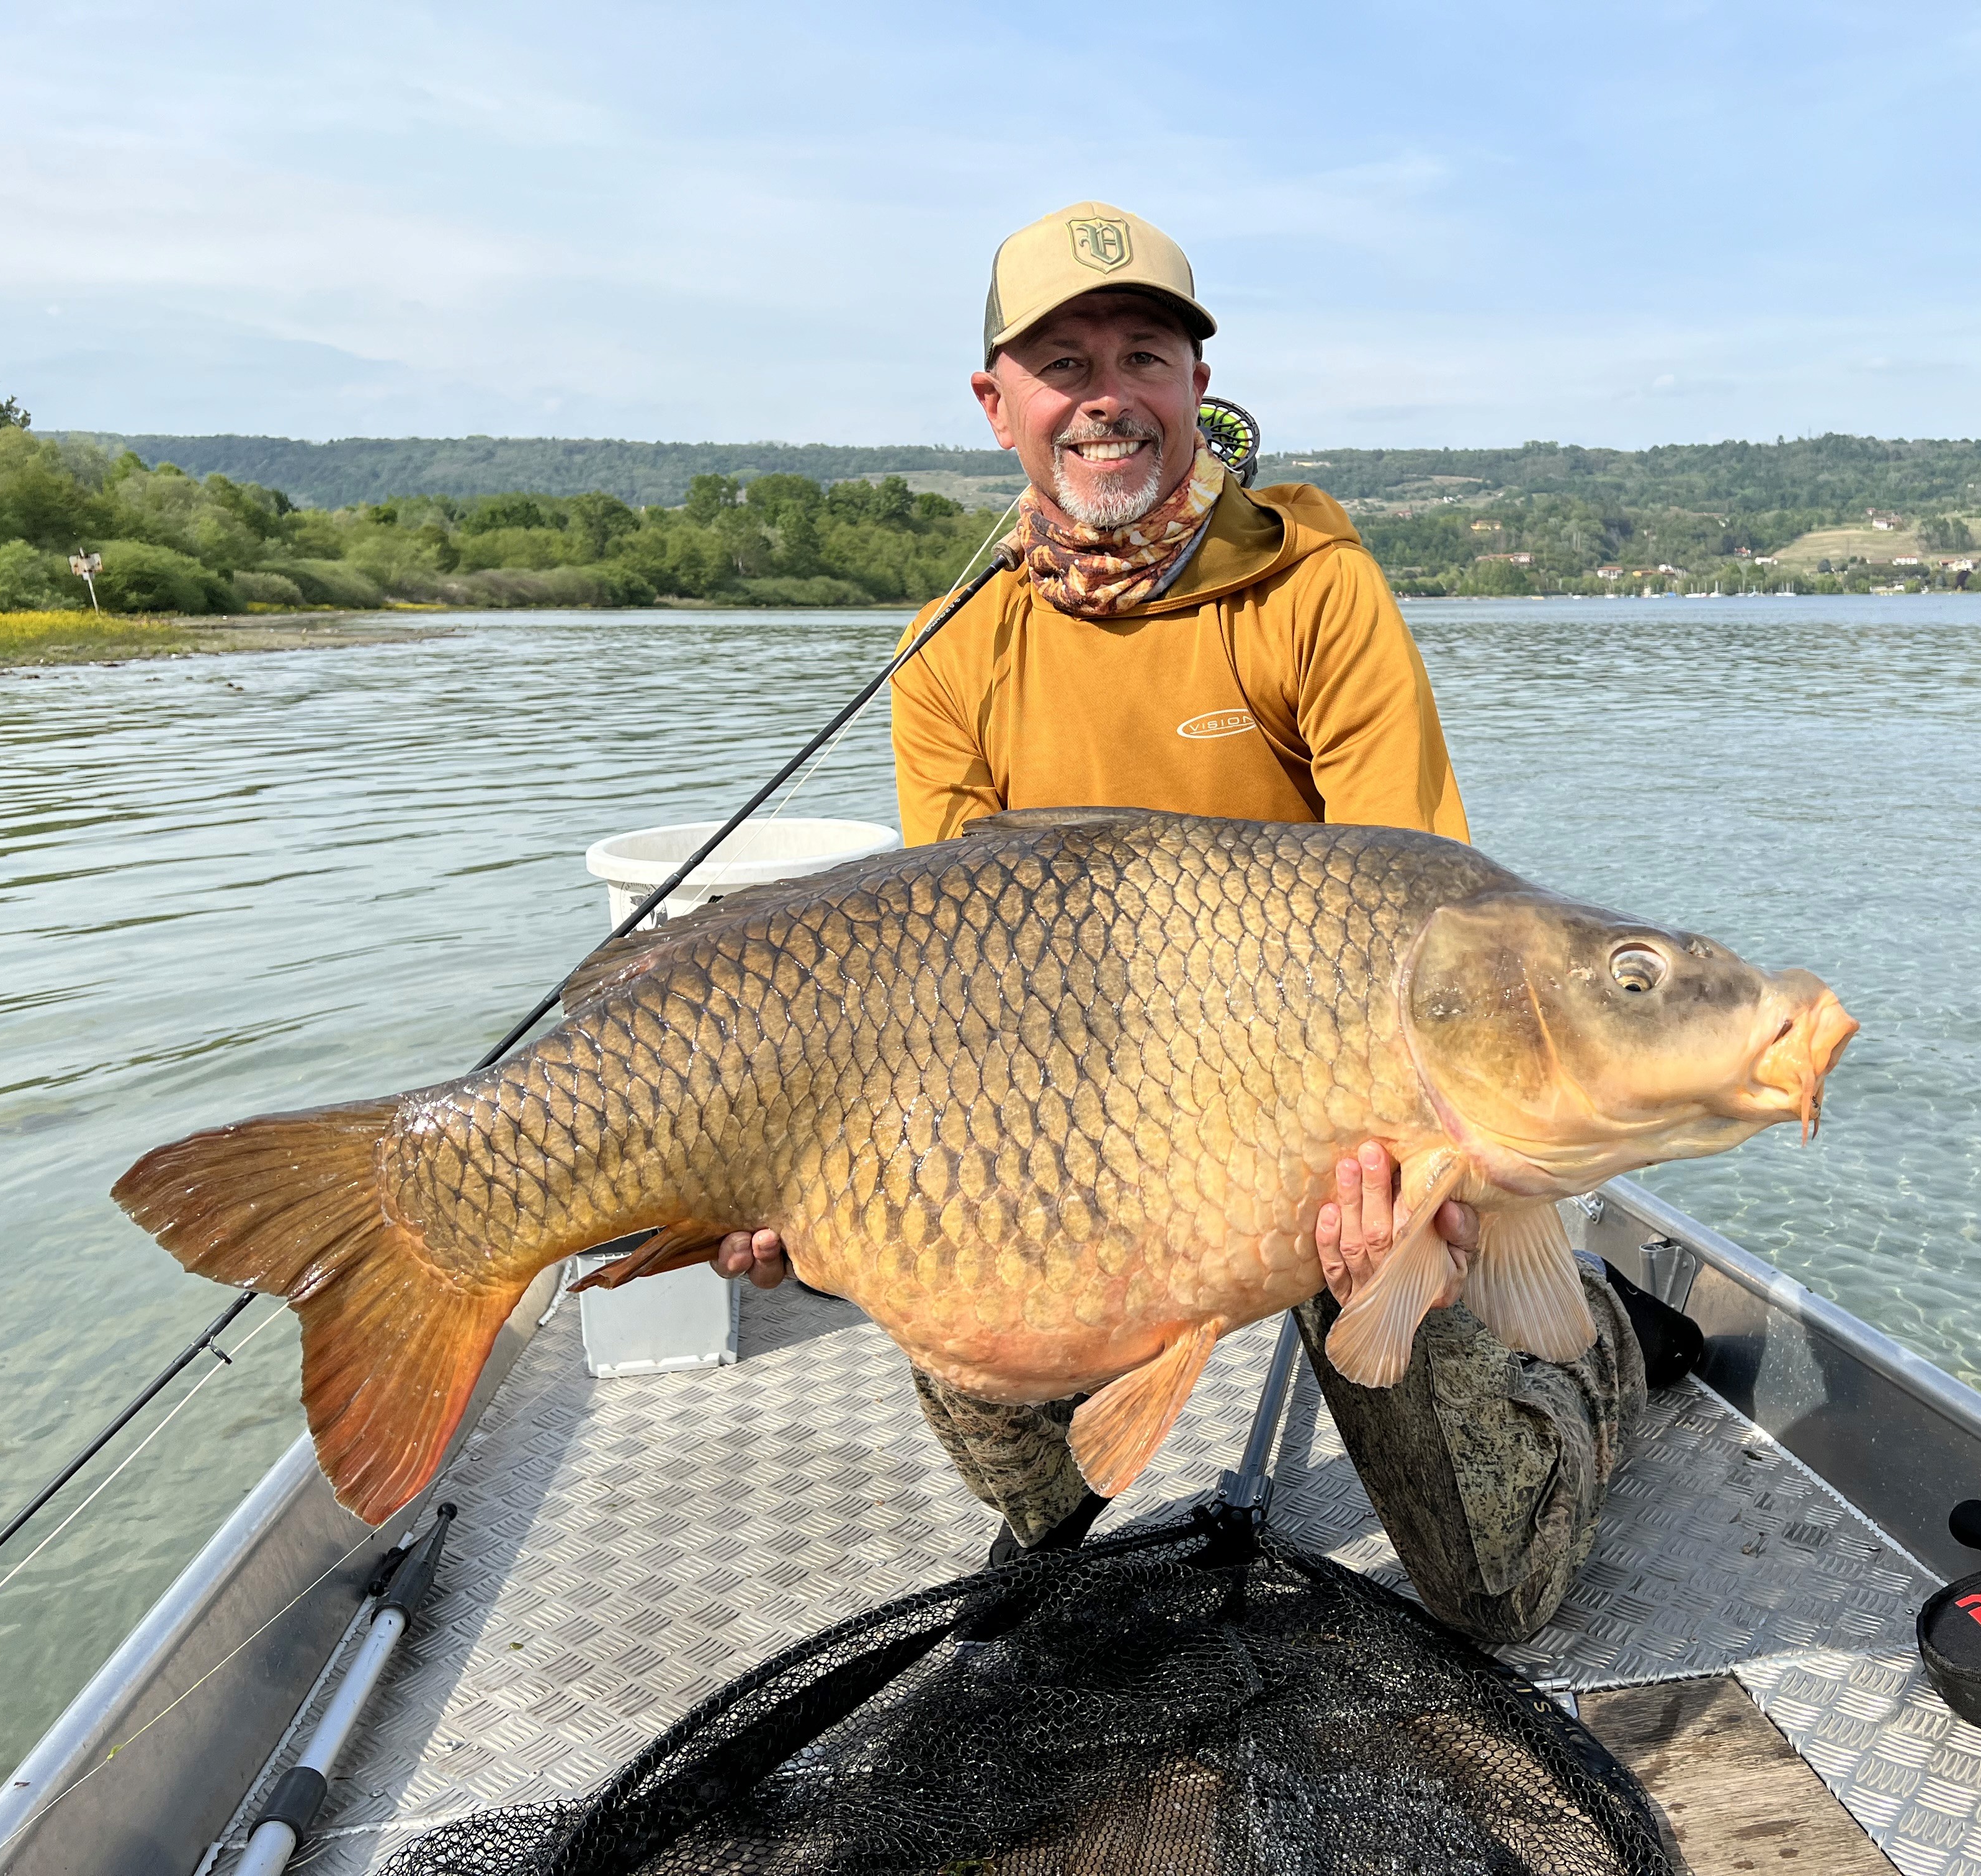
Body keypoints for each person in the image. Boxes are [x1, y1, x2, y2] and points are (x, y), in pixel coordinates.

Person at [705, 202, 1656, 1645]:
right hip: (1093, 1130)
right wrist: (804, 1175)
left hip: (1336, 1126)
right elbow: (942, 980)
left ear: (1195, 389)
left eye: (1144, 354)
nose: (1108, 396)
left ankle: (1606, 1363)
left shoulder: (1314, 588)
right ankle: (1070, 1480)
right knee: (1002, 1429)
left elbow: (1430, 922)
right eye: (1063, 361)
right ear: (998, 404)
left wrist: (1412, 1186)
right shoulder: (948, 647)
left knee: (1496, 1594)